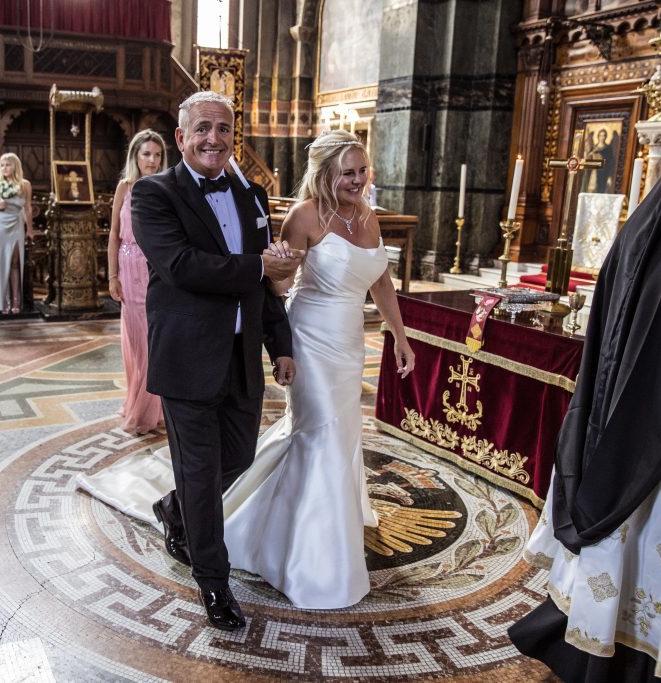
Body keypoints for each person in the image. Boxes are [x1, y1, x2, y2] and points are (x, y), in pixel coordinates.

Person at [78, 128, 416, 612]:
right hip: (307, 339)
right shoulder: (297, 216)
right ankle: (266, 567)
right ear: (326, 173)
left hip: (346, 344)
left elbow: (378, 279)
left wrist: (398, 336)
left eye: (363, 171)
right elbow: (261, 278)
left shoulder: (350, 213)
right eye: (348, 172)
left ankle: (190, 509)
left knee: (310, 440)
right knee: (319, 431)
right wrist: (273, 294)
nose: (358, 180)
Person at [508, 102, 661, 682]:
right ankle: (653, 656)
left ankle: (592, 639)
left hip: (629, 424)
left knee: (638, 534)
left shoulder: (650, 221)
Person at [131, 91, 300, 631]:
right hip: (186, 358)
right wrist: (257, 265)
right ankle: (213, 582)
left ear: (234, 137)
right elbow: (182, 267)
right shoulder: (152, 194)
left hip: (240, 355)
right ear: (181, 138)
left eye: (223, 129)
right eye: (202, 128)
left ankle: (176, 508)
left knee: (239, 457)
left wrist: (282, 346)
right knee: (202, 472)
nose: (213, 138)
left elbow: (268, 284)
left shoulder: (251, 194)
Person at [107, 129, 167, 434]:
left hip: (154, 268)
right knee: (133, 341)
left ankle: (150, 410)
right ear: (135, 156)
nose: (152, 161)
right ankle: (136, 401)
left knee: (151, 342)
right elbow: (113, 236)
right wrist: (112, 276)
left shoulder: (165, 187)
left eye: (157, 155)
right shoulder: (125, 187)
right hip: (128, 267)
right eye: (146, 154)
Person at [0, 153, 33, 314]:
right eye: (2, 165)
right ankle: (1, 301)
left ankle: (15, 300)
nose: (5, 168)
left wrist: (30, 229)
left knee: (14, 262)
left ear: (15, 166)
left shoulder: (24, 184)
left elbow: (27, 207)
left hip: (16, 223)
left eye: (8, 164)